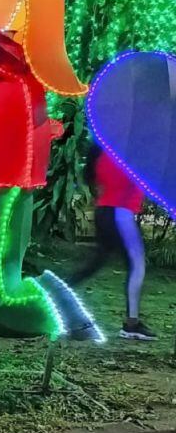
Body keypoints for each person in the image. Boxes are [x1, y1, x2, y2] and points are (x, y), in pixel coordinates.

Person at [69, 144, 154, 340]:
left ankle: (57, 290)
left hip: (104, 212)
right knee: (137, 266)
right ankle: (131, 325)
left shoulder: (103, 151)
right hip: (121, 215)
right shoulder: (127, 154)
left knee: (95, 263)